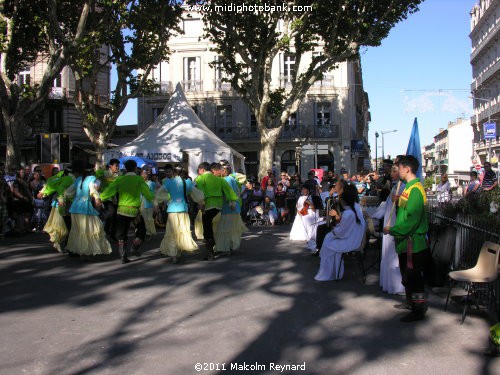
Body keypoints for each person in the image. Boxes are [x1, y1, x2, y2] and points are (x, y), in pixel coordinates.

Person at [383, 155, 431, 323]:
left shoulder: (415, 189)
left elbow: (412, 220)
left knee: (414, 276)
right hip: (405, 241)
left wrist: (393, 229)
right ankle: (411, 302)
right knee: (407, 275)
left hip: (413, 243)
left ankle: (418, 309)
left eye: (400, 167)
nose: (397, 170)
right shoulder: (408, 188)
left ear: (407, 169)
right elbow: (404, 212)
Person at [100, 159, 154, 264]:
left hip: (122, 210)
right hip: (134, 211)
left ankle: (123, 255)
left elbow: (109, 191)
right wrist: (156, 197)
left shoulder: (120, 179)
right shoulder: (139, 179)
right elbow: (148, 193)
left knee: (122, 232)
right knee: (141, 229)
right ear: (135, 168)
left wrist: (100, 198)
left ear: (126, 168)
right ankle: (135, 246)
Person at [314, 183, 366, 281]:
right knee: (327, 238)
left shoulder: (349, 213)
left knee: (327, 240)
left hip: (350, 242)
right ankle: (331, 270)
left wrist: (334, 231)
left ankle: (329, 272)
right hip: (354, 239)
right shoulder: (354, 209)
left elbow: (342, 232)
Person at [62, 161, 112, 258]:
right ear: (92, 170)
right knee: (93, 229)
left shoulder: (78, 179)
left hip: (75, 208)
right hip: (85, 208)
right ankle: (85, 251)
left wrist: (63, 199)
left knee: (77, 230)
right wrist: (97, 198)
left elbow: (68, 192)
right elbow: (93, 190)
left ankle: (75, 250)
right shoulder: (92, 179)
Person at [195, 162, 239, 260]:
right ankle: (216, 246)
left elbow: (200, 192)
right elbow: (229, 192)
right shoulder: (220, 180)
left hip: (207, 206)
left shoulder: (200, 178)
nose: (221, 171)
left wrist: (201, 204)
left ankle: (210, 253)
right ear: (213, 170)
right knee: (214, 228)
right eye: (220, 169)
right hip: (218, 207)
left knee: (207, 230)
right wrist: (232, 203)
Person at [157, 165, 201, 263]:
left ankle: (174, 254)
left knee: (172, 232)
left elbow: (159, 193)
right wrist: (201, 202)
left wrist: (161, 201)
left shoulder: (168, 182)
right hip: (183, 209)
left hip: (172, 210)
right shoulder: (187, 182)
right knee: (182, 230)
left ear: (174, 172)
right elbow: (196, 194)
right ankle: (178, 250)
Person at [378, 165, 405, 295]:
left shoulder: (403, 187)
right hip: (390, 222)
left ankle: (398, 285)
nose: (393, 174)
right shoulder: (395, 186)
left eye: (395, 171)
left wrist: (399, 200)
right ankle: (390, 283)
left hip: (395, 224)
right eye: (392, 171)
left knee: (395, 254)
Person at [214, 161, 247, 254]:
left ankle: (226, 247)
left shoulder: (226, 180)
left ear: (224, 170)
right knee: (232, 229)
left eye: (221, 170)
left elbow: (228, 193)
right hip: (234, 207)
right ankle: (232, 246)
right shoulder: (233, 179)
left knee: (225, 229)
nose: (220, 172)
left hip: (228, 207)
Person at [39, 169, 74, 252]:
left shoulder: (54, 179)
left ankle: (58, 243)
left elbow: (48, 186)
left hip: (57, 204)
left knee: (58, 224)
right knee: (63, 224)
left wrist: (43, 192)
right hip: (62, 204)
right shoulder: (69, 179)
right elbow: (61, 189)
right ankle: (62, 244)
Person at [140, 167, 157, 237]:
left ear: (147, 175)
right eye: (142, 174)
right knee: (144, 219)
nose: (144, 176)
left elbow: (153, 194)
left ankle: (151, 231)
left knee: (150, 218)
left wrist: (156, 205)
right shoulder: (139, 183)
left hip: (149, 203)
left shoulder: (151, 183)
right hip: (141, 203)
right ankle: (147, 232)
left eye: (145, 174)